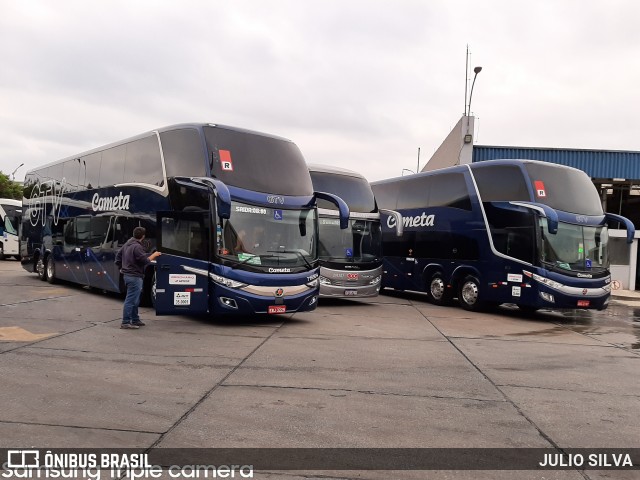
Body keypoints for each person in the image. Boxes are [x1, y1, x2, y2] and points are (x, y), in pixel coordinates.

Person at [115, 227, 161, 329]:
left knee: (135, 299)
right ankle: (125, 322)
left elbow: (118, 257)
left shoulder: (127, 244)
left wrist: (121, 268)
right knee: (131, 300)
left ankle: (135, 319)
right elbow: (145, 261)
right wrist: (155, 254)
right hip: (134, 276)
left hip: (128, 276)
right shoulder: (137, 247)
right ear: (143, 236)